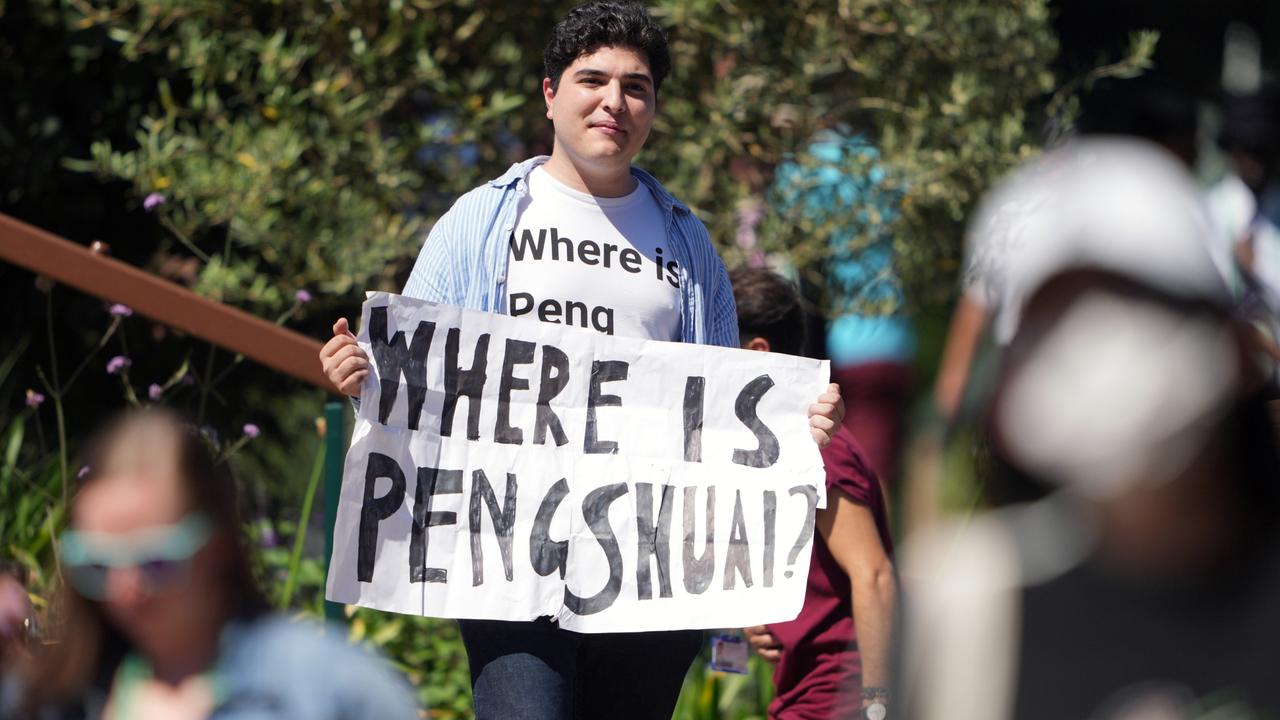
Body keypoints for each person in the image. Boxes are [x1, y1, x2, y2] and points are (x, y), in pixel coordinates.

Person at [318, 3, 844, 718]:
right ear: (550, 93)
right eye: (592, 79)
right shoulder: (481, 221)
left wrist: (789, 432)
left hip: (648, 568)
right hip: (507, 554)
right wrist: (361, 378)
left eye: (636, 87)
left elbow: (721, 410)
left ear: (653, 106)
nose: (613, 102)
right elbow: (419, 379)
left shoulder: (688, 246)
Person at [899, 138, 1280, 720]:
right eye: (1051, 325)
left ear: (1231, 344)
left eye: (1128, 302)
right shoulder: (965, 615)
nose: (1091, 353)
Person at [7, 409, 417, 720]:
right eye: (96, 566)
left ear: (217, 544)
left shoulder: (325, 685)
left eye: (156, 561)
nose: (123, 587)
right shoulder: (55, 696)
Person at [731, 268, 896, 720]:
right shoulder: (783, 446)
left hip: (835, 701)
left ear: (756, 351)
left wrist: (876, 704)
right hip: (805, 693)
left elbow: (875, 575)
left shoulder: (821, 449)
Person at [769, 129, 915, 495]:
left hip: (826, 346)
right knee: (875, 474)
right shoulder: (881, 163)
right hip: (885, 339)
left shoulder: (797, 171)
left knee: (839, 478)